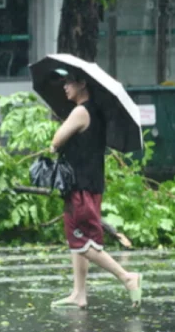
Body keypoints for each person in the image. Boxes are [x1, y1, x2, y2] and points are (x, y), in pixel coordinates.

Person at [49, 71, 142, 309]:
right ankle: (79, 294)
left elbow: (55, 142)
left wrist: (61, 133)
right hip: (90, 184)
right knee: (77, 240)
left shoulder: (80, 112)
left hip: (81, 185)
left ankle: (126, 277)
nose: (65, 87)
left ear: (82, 84)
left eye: (69, 82)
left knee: (82, 239)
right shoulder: (96, 112)